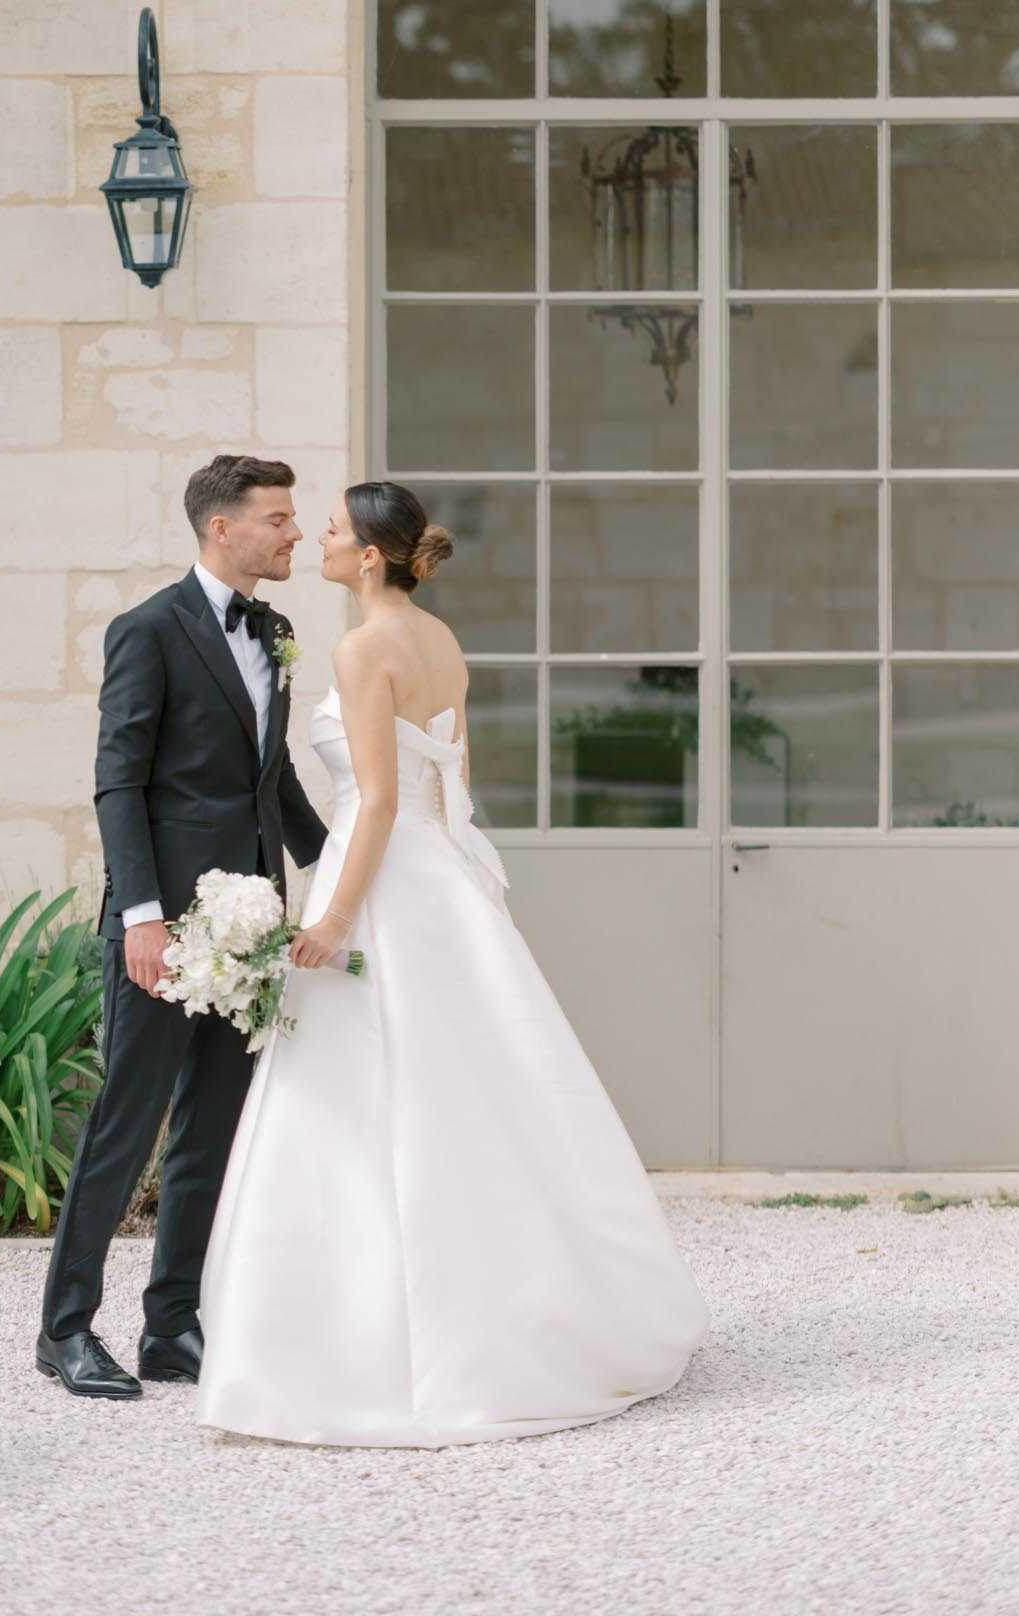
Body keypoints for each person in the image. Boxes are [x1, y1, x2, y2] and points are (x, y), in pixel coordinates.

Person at [194, 479, 712, 1447]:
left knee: (368, 1099)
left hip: (385, 879)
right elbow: (451, 779)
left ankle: (355, 1346)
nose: (320, 542)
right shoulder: (439, 640)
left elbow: (379, 800)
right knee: (476, 1087)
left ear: (373, 556)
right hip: (443, 874)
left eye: (337, 532)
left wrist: (335, 919)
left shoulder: (360, 647)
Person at [36, 454, 328, 1400]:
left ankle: (173, 1326)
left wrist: (341, 861)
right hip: (162, 928)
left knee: (212, 1127)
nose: (293, 534)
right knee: (124, 1126)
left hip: (249, 924)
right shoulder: (148, 631)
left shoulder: (275, 630)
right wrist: (142, 919)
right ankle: (66, 1330)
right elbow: (117, 781)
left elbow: (267, 776)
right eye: (278, 519)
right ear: (222, 529)